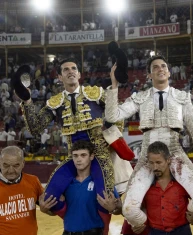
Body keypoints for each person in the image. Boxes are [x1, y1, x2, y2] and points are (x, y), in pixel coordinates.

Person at [104, 56, 193, 227]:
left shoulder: (182, 97)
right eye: (155, 67)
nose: (160, 69)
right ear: (149, 75)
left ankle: (176, 223)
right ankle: (153, 228)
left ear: (168, 72)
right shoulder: (141, 97)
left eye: (163, 66)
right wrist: (114, 85)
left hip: (174, 152)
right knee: (129, 210)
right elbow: (112, 116)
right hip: (147, 155)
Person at [17, 59, 133, 212]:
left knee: (107, 201)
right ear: (60, 77)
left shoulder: (95, 93)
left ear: (79, 74)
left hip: (99, 154)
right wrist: (27, 101)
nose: (70, 71)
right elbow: (35, 128)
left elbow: (116, 113)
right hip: (74, 156)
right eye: (66, 70)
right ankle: (73, 218)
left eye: (73, 68)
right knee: (48, 199)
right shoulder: (55, 102)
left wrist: (113, 136)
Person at [39, 140, 122, 235]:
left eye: (83, 155)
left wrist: (113, 209)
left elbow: (119, 209)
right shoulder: (65, 183)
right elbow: (59, 211)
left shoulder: (101, 182)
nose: (79, 159)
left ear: (91, 156)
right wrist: (45, 210)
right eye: (75, 155)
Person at [129, 141, 193, 235]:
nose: (155, 167)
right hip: (154, 233)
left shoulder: (183, 182)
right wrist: (137, 224)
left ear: (168, 160)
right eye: (151, 163)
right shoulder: (143, 185)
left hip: (181, 233)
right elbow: (138, 207)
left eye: (159, 162)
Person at [0, 146, 49, 235]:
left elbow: (50, 210)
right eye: (6, 165)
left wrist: (47, 208)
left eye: (16, 165)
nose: (11, 170)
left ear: (23, 163)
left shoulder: (33, 181)